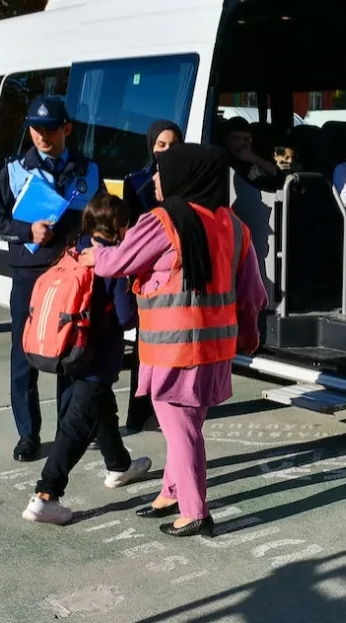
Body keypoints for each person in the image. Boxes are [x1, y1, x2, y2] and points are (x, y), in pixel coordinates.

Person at [80, 144, 267, 537]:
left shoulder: (162, 222)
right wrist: (250, 331)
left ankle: (195, 509)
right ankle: (171, 491)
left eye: (161, 173)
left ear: (183, 176)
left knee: (179, 427)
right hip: (216, 349)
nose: (154, 180)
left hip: (174, 347)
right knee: (188, 422)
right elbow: (251, 291)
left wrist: (92, 254)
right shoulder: (234, 225)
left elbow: (116, 263)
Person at [0, 96, 101, 462]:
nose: (42, 136)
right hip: (30, 274)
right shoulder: (16, 170)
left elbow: (100, 219)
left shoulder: (88, 170)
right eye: (35, 129)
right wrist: (26, 230)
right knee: (25, 353)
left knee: (72, 351)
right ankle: (28, 434)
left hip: (72, 274)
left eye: (49, 129)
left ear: (67, 128)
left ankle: (69, 430)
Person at [21, 193, 152, 524]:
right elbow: (126, 319)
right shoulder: (112, 262)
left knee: (102, 409)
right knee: (77, 424)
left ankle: (118, 466)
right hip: (98, 357)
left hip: (71, 351)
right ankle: (46, 495)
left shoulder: (75, 249)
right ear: (120, 226)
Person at [119, 120, 185, 434]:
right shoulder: (137, 182)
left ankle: (170, 405)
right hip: (149, 275)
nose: (167, 151)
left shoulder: (190, 179)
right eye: (161, 145)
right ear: (151, 147)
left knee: (174, 345)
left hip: (179, 274)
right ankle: (141, 411)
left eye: (173, 145)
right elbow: (130, 232)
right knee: (146, 347)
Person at [220, 118, 281, 189]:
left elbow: (280, 177)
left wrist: (255, 159)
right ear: (225, 141)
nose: (242, 143)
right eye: (236, 138)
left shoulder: (255, 158)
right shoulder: (222, 162)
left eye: (246, 139)